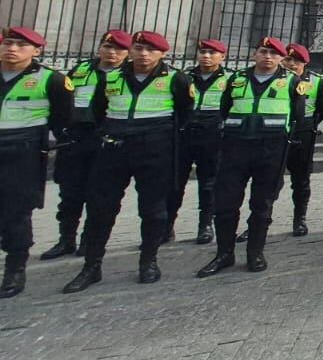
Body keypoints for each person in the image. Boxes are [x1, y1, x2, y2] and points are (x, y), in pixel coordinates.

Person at [64, 31, 194, 293]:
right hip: (115, 148)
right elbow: (99, 109)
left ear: (163, 54)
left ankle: (148, 261)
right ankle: (91, 266)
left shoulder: (176, 79)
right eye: (138, 48)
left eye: (150, 50)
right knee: (101, 208)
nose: (143, 54)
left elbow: (185, 113)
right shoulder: (113, 77)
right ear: (131, 51)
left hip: (154, 150)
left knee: (153, 209)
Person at [195, 37, 305, 277]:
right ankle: (224, 253)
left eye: (273, 54)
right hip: (236, 146)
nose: (268, 57)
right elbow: (225, 108)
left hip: (271, 148)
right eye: (263, 52)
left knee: (262, 204)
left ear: (281, 58)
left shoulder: (291, 82)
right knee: (226, 202)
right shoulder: (237, 80)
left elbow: (298, 115)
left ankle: (255, 252)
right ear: (255, 54)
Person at [40, 29, 130, 261]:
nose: (112, 52)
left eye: (119, 49)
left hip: (106, 142)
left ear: (127, 53)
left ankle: (89, 241)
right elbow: (62, 102)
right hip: (75, 140)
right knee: (70, 193)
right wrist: (61, 130)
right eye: (108, 47)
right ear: (100, 48)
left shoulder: (128, 75)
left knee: (98, 195)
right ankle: (66, 239)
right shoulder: (81, 70)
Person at [0, 26, 74, 298]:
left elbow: (63, 117)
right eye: (8, 43)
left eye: (21, 45)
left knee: (16, 212)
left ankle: (15, 268)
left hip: (22, 153)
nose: (12, 49)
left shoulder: (51, 80)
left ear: (36, 50)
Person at [170, 39, 229, 246]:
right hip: (185, 133)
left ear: (222, 57)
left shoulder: (230, 79)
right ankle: (167, 225)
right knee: (175, 181)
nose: (206, 56)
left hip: (212, 135)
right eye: (203, 52)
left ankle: (205, 224)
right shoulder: (184, 77)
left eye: (212, 53)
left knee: (209, 183)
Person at [282, 43, 323, 236]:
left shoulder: (317, 82)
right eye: (288, 59)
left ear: (305, 63)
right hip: (277, 133)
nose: (291, 64)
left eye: (297, 60)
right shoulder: (276, 80)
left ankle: (299, 219)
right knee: (268, 181)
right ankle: (258, 222)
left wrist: (306, 125)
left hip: (303, 134)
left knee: (301, 179)